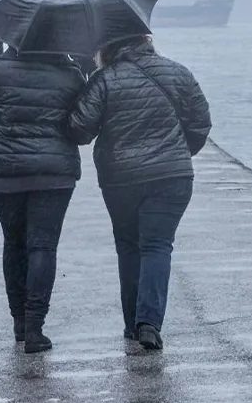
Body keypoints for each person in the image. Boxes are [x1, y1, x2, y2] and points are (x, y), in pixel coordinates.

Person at [70, 34, 210, 353]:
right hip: (172, 175)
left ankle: (132, 323)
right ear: (146, 39)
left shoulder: (103, 79)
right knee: (158, 246)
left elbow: (80, 129)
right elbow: (201, 122)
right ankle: (149, 322)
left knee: (129, 245)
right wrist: (177, 152)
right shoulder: (179, 72)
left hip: (120, 177)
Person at [0, 47, 86, 353]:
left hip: (5, 170)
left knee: (13, 242)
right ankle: (36, 328)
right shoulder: (71, 72)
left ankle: (19, 323)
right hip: (54, 172)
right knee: (43, 245)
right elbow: (81, 124)